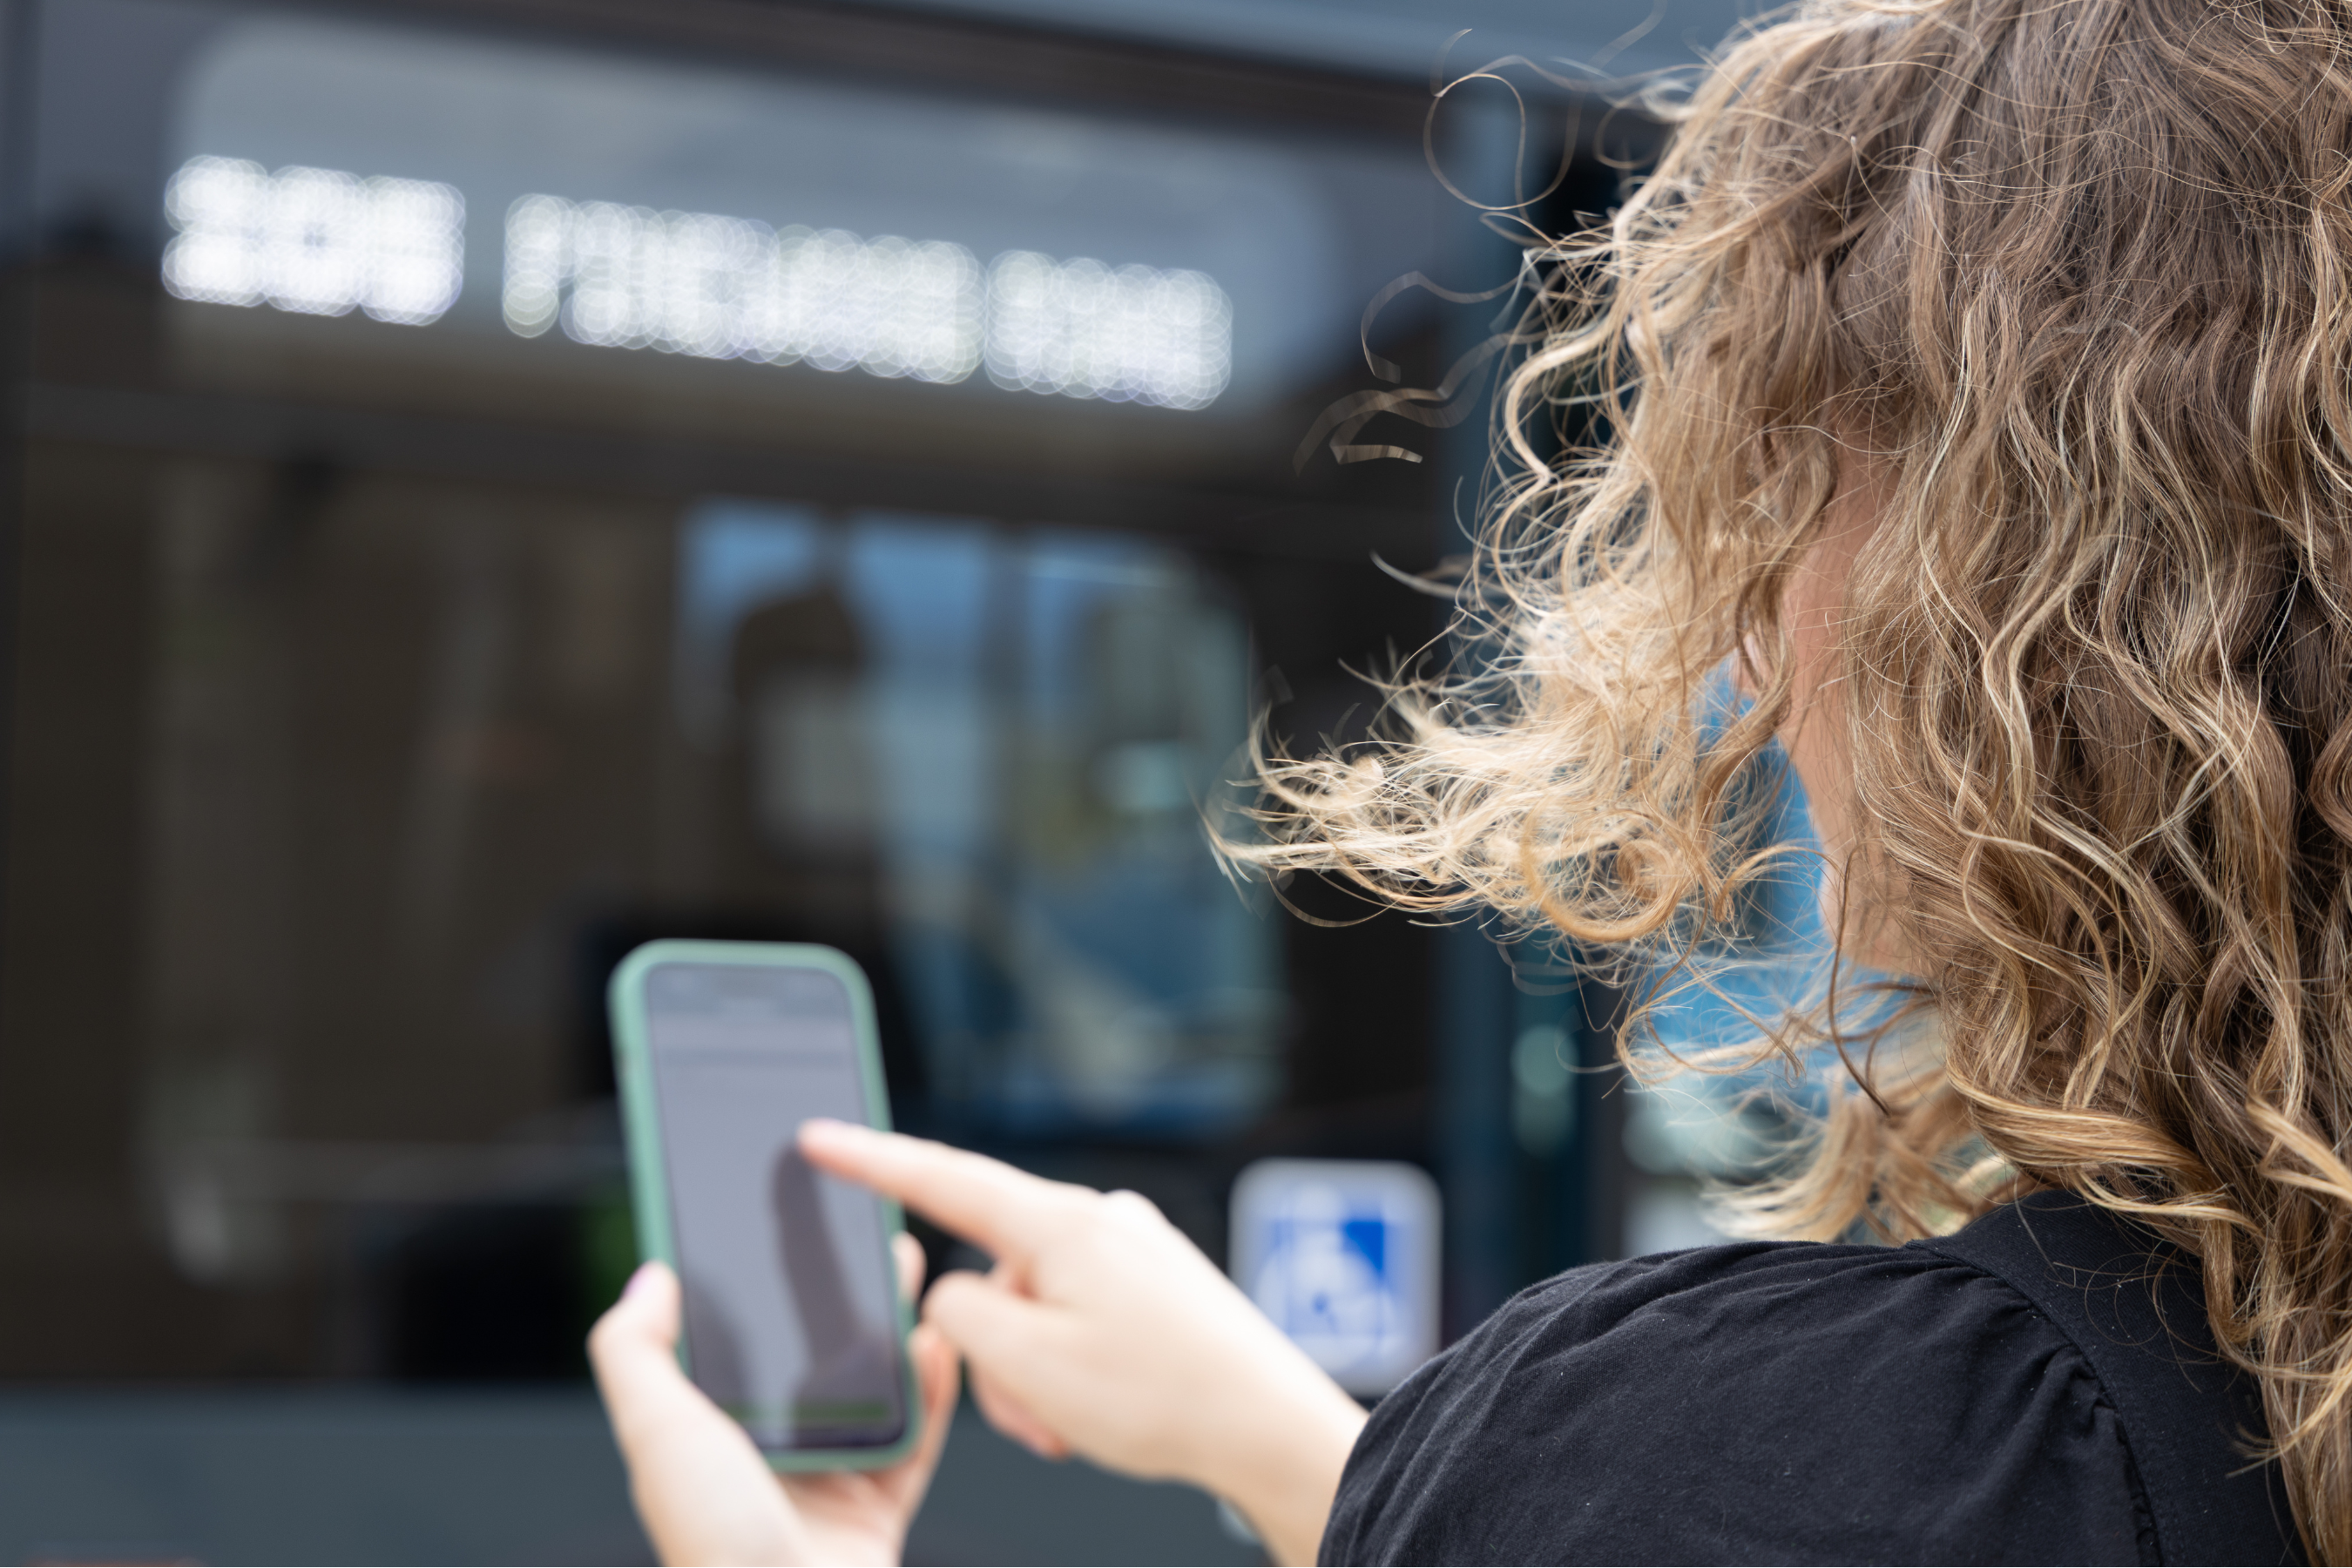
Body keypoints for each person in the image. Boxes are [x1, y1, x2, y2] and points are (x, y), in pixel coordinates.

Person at [591, 0, 2352, 1559]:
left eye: (1793, 500)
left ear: (2003, 607)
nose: (1749, 656)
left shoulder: (1757, 1448)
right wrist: (1290, 1445)